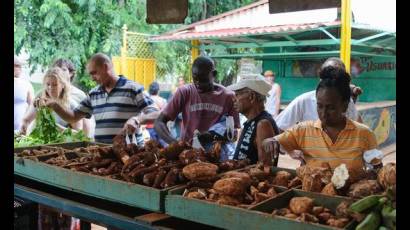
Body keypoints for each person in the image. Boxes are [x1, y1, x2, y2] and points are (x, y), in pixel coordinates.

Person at [262, 66, 381, 179]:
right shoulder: (303, 130)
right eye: (319, 106)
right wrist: (270, 141)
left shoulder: (364, 134)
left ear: (344, 106)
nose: (323, 113)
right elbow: (273, 141)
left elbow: (377, 169)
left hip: (351, 198)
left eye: (331, 107)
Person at [37, 53, 157, 144]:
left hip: (131, 155)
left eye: (94, 73)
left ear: (105, 67)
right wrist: (54, 104)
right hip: (103, 154)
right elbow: (73, 117)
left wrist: (137, 120)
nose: (92, 78)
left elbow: (156, 113)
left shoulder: (133, 88)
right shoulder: (93, 94)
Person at [154, 56, 240, 144]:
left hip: (218, 154)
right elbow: (159, 122)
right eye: (195, 79)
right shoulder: (185, 92)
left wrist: (213, 136)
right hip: (188, 153)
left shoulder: (228, 96)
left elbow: (234, 135)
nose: (198, 84)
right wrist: (174, 143)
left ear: (214, 74)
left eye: (203, 80)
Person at [275, 57, 363, 131]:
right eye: (319, 106)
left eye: (335, 77)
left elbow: (359, 128)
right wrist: (292, 150)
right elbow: (278, 127)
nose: (324, 114)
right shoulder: (304, 101)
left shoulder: (348, 102)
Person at [226, 74, 280, 168]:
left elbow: (265, 168)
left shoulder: (263, 124)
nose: (234, 99)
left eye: (237, 94)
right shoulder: (250, 123)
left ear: (251, 97)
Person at [20, 67, 83, 134]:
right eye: (48, 84)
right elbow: (26, 120)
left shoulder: (72, 105)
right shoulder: (40, 99)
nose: (50, 88)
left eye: (55, 85)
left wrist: (55, 127)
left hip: (60, 143)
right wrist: (24, 125)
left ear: (63, 85)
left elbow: (77, 134)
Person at [52, 58, 95, 138]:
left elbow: (85, 127)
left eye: (63, 70)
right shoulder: (44, 93)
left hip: (69, 140)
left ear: (71, 73)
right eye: (57, 69)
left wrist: (86, 139)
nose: (60, 72)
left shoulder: (80, 95)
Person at [14, 56, 34, 133]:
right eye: (17, 66)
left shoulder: (26, 84)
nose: (20, 69)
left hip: (20, 130)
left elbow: (32, 105)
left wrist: (27, 123)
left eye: (20, 67)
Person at [145, 81, 167, 146]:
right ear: (158, 90)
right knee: (165, 147)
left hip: (149, 127)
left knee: (152, 148)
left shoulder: (146, 101)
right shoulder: (163, 101)